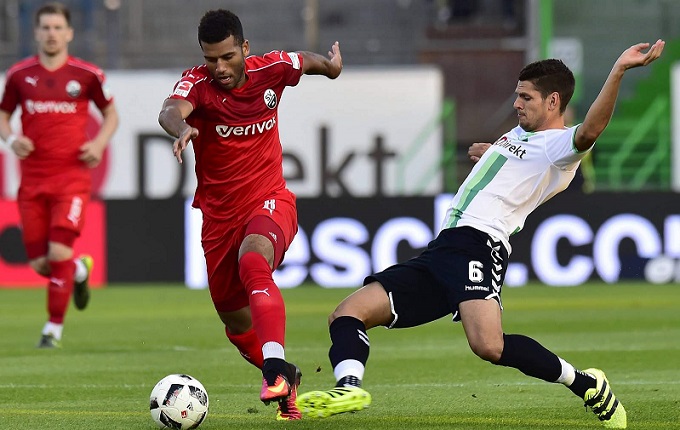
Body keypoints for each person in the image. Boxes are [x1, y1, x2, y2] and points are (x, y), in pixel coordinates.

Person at [297, 39, 665, 429]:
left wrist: (619, 70)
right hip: (443, 248)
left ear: (553, 101)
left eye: (526, 97)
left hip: (479, 243)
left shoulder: (560, 146)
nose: (516, 103)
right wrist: (492, 153)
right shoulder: (519, 138)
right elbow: (518, 164)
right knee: (346, 312)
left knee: (488, 345)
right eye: (516, 95)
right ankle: (349, 387)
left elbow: (590, 130)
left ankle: (588, 384)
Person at [157, 9, 342, 421]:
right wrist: (181, 128)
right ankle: (285, 376)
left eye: (226, 57)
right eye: (210, 59)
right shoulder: (197, 85)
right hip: (219, 219)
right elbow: (169, 109)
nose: (219, 68)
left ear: (244, 48)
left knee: (254, 261)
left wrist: (330, 68)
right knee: (234, 320)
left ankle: (274, 367)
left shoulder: (270, 70)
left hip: (270, 200)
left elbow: (304, 60)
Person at [0, 2, 119, 349]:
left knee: (57, 252)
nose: (51, 34)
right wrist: (11, 138)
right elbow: (3, 116)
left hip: (72, 179)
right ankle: (80, 272)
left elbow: (111, 116)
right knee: (41, 263)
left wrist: (98, 143)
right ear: (36, 33)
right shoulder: (20, 76)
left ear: (68, 33)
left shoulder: (87, 75)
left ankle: (52, 330)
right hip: (32, 181)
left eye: (57, 28)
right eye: (45, 28)